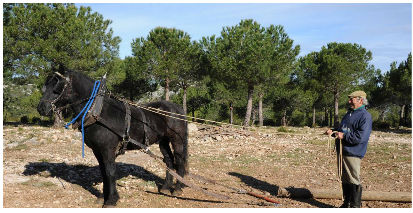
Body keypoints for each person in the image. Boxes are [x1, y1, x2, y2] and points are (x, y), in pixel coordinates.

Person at [325, 90, 372, 208]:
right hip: (343, 150)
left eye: (352, 99)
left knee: (353, 178)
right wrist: (333, 131)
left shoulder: (365, 116)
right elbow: (342, 129)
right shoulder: (349, 113)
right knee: (345, 178)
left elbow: (361, 137)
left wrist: (344, 136)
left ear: (360, 100)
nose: (349, 101)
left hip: (354, 152)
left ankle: (355, 206)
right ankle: (347, 204)